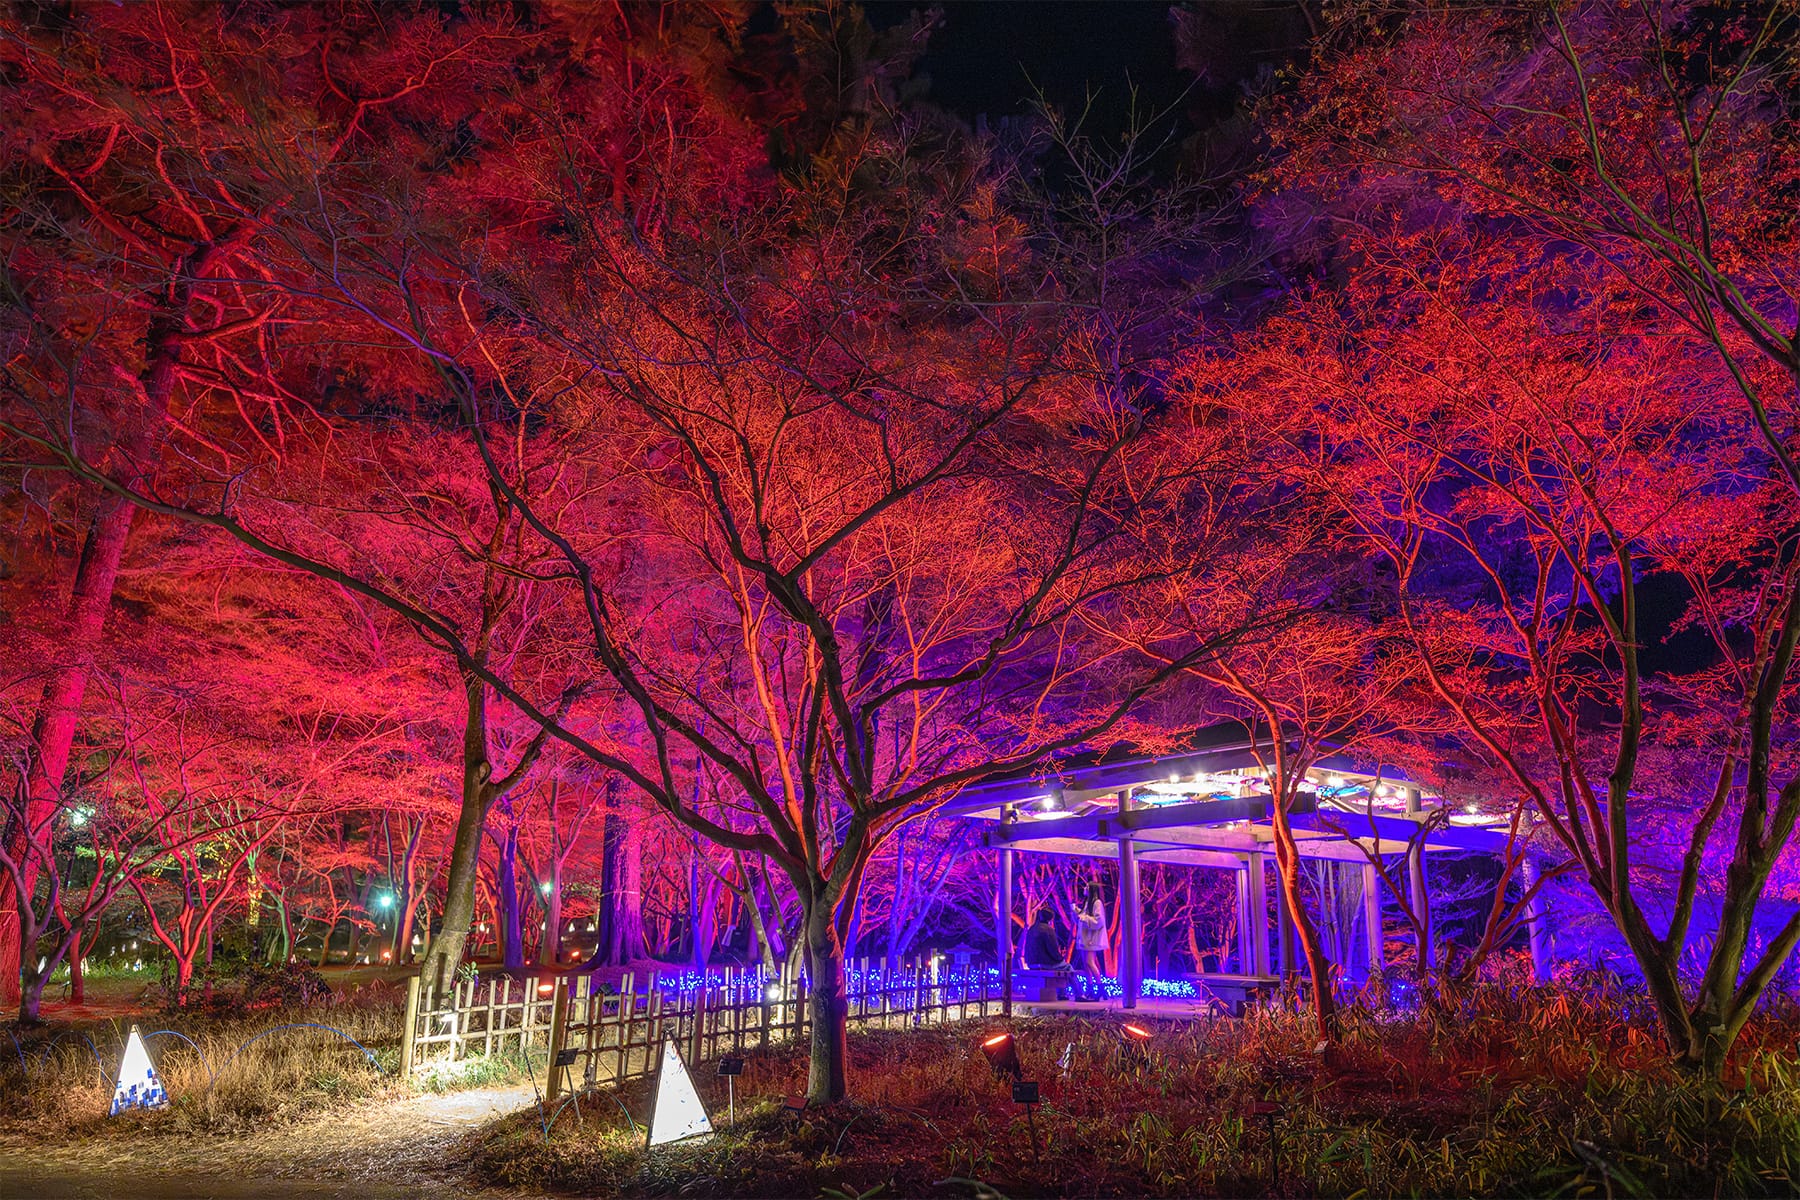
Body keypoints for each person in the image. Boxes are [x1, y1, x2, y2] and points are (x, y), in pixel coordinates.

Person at [1076, 882, 1109, 977]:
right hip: (1085, 938)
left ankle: (1099, 987)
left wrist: (1084, 917)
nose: (1084, 888)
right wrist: (1078, 912)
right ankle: (1090, 987)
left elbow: (1099, 921)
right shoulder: (1087, 903)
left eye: (1087, 886)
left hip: (1091, 939)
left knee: (1090, 962)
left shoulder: (1097, 903)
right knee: (1085, 964)